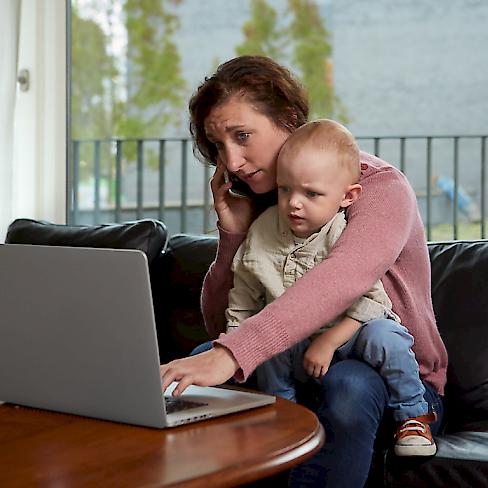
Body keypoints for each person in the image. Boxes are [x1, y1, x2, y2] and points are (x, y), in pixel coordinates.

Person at [160, 55, 448, 487]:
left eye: (242, 136)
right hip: (290, 370)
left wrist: (234, 353)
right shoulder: (265, 205)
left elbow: (340, 281)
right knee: (198, 364)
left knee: (348, 383)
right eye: (218, 146)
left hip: (394, 381)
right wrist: (233, 234)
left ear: (289, 119)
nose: (232, 161)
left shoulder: (380, 189)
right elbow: (224, 324)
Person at [224, 119, 436, 456]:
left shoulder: (345, 232)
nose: (294, 203)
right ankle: (285, 414)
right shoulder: (263, 230)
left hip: (351, 335)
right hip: (294, 342)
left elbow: (372, 301)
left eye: (311, 194)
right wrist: (234, 343)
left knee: (386, 335)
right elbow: (243, 292)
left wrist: (329, 340)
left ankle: (413, 414)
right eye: (285, 190)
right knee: (265, 346)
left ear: (348, 196)